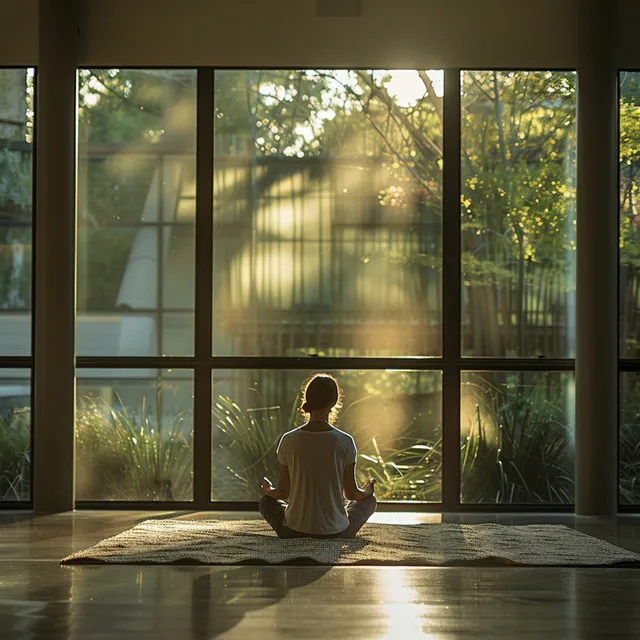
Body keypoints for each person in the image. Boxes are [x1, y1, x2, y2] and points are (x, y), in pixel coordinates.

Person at [259, 372, 377, 538]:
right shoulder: (345, 441)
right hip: (337, 532)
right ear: (334, 402)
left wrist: (268, 490)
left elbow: (283, 493)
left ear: (308, 399)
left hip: (292, 531)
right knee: (370, 501)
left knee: (265, 502)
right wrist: (367, 491)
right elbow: (351, 494)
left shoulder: (288, 440)